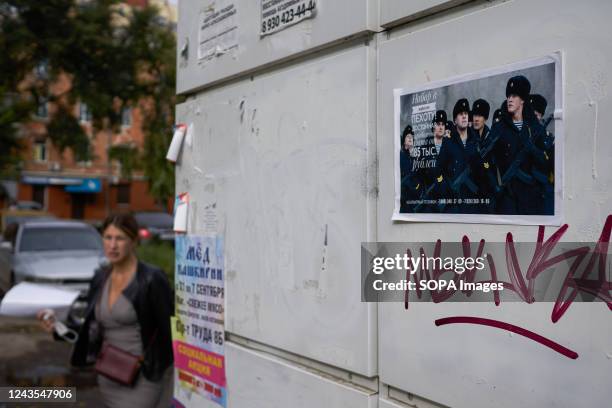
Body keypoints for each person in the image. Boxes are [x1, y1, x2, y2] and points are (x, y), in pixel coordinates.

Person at [38, 213, 174, 408]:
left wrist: (157, 369)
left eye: (120, 238)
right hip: (110, 374)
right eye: (108, 237)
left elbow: (170, 332)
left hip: (144, 378)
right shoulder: (101, 278)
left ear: (134, 241)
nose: (112, 245)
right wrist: (57, 325)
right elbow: (90, 326)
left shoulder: (151, 279)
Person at [491, 76, 550, 214]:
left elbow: (545, 160)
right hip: (507, 197)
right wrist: (495, 184)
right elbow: (489, 160)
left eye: (514, 95)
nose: (509, 99)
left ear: (523, 99)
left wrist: (532, 149)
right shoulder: (499, 127)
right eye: (508, 96)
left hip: (530, 196)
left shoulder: (534, 127)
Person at [435, 99, 482, 213]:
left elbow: (482, 170)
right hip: (454, 201)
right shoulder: (448, 141)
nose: (464, 116)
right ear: (455, 120)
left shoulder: (475, 141)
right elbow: (438, 170)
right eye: (461, 114)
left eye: (466, 114)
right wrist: (445, 188)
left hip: (472, 201)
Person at [399, 125, 423, 212]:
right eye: (408, 136)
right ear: (404, 140)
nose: (410, 138)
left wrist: (417, 187)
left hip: (413, 198)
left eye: (412, 137)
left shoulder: (414, 158)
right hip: (404, 198)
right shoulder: (401, 156)